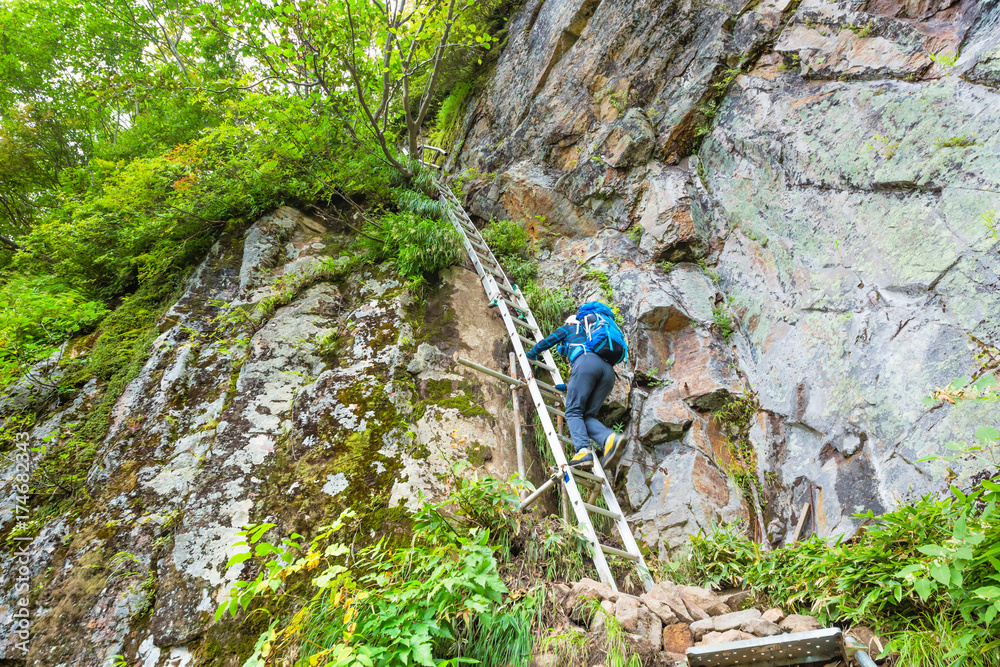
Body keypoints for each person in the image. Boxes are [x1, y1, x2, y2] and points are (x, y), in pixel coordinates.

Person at [524, 301, 628, 467]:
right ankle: (609, 438)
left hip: (586, 363)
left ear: (570, 322)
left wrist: (531, 354)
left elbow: (548, 341)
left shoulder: (570, 327)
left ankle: (583, 452)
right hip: (608, 373)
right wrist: (568, 387)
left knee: (573, 412)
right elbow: (588, 380)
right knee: (586, 415)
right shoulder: (593, 333)